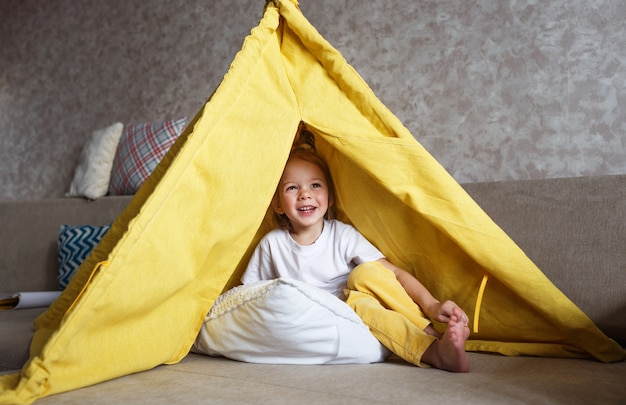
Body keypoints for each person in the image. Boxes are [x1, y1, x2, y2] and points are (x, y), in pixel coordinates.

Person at [242, 128, 470, 372]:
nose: (305, 194)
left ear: (330, 198)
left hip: (359, 308)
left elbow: (393, 275)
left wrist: (432, 305)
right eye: (292, 188)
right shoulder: (272, 244)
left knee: (366, 275)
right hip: (325, 321)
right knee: (354, 302)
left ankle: (434, 341)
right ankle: (436, 349)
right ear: (277, 204)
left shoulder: (342, 234)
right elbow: (246, 295)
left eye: (315, 185)